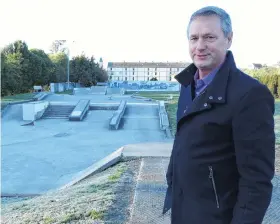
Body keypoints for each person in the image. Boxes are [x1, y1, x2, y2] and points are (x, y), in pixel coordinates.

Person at [163, 6, 275, 224]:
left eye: (209, 37)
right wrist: (172, 178)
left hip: (218, 217)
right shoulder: (188, 85)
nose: (200, 46)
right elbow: (184, 140)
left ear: (229, 39)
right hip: (184, 210)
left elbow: (256, 181)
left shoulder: (250, 95)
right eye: (193, 38)